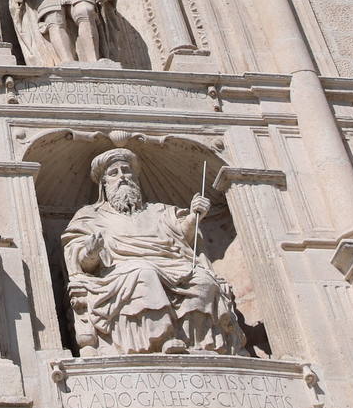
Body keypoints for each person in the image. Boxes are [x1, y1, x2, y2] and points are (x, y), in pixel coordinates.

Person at [61, 147, 246, 356]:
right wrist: (91, 252)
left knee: (203, 280)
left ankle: (201, 344)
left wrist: (195, 216)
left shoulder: (160, 210)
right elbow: (78, 262)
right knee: (144, 273)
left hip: (173, 265)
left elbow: (183, 236)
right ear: (103, 183)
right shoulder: (90, 217)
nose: (122, 176)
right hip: (118, 272)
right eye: (114, 173)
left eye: (126, 170)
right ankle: (162, 339)